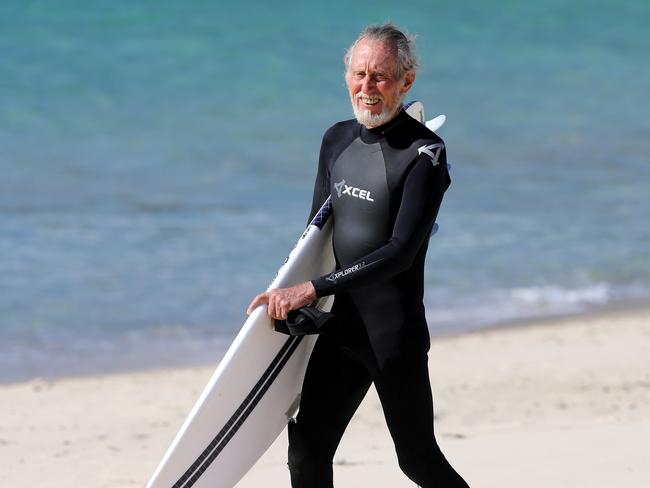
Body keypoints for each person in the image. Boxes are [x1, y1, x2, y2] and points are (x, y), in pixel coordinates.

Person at [247, 23, 469, 488]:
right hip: (341, 328)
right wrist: (289, 292)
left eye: (380, 77)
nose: (367, 87)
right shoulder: (336, 140)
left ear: (406, 82)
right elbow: (315, 234)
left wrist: (314, 288)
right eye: (359, 74)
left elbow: (399, 253)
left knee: (417, 459)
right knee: (307, 452)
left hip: (393, 334)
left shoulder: (425, 155)